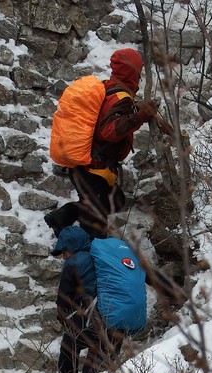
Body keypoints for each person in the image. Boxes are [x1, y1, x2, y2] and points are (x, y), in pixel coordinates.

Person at [45, 48, 162, 237]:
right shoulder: (121, 98)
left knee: (115, 200)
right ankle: (87, 253)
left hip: (85, 169)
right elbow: (109, 131)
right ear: (133, 72)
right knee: (95, 226)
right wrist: (139, 117)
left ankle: (60, 218)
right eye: (138, 72)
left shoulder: (109, 87)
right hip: (94, 170)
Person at [46, 226, 99, 373]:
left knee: (69, 347)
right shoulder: (101, 256)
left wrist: (65, 322)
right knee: (98, 355)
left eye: (65, 251)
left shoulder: (74, 263)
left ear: (73, 247)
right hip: (119, 319)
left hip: (94, 318)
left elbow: (63, 301)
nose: (64, 256)